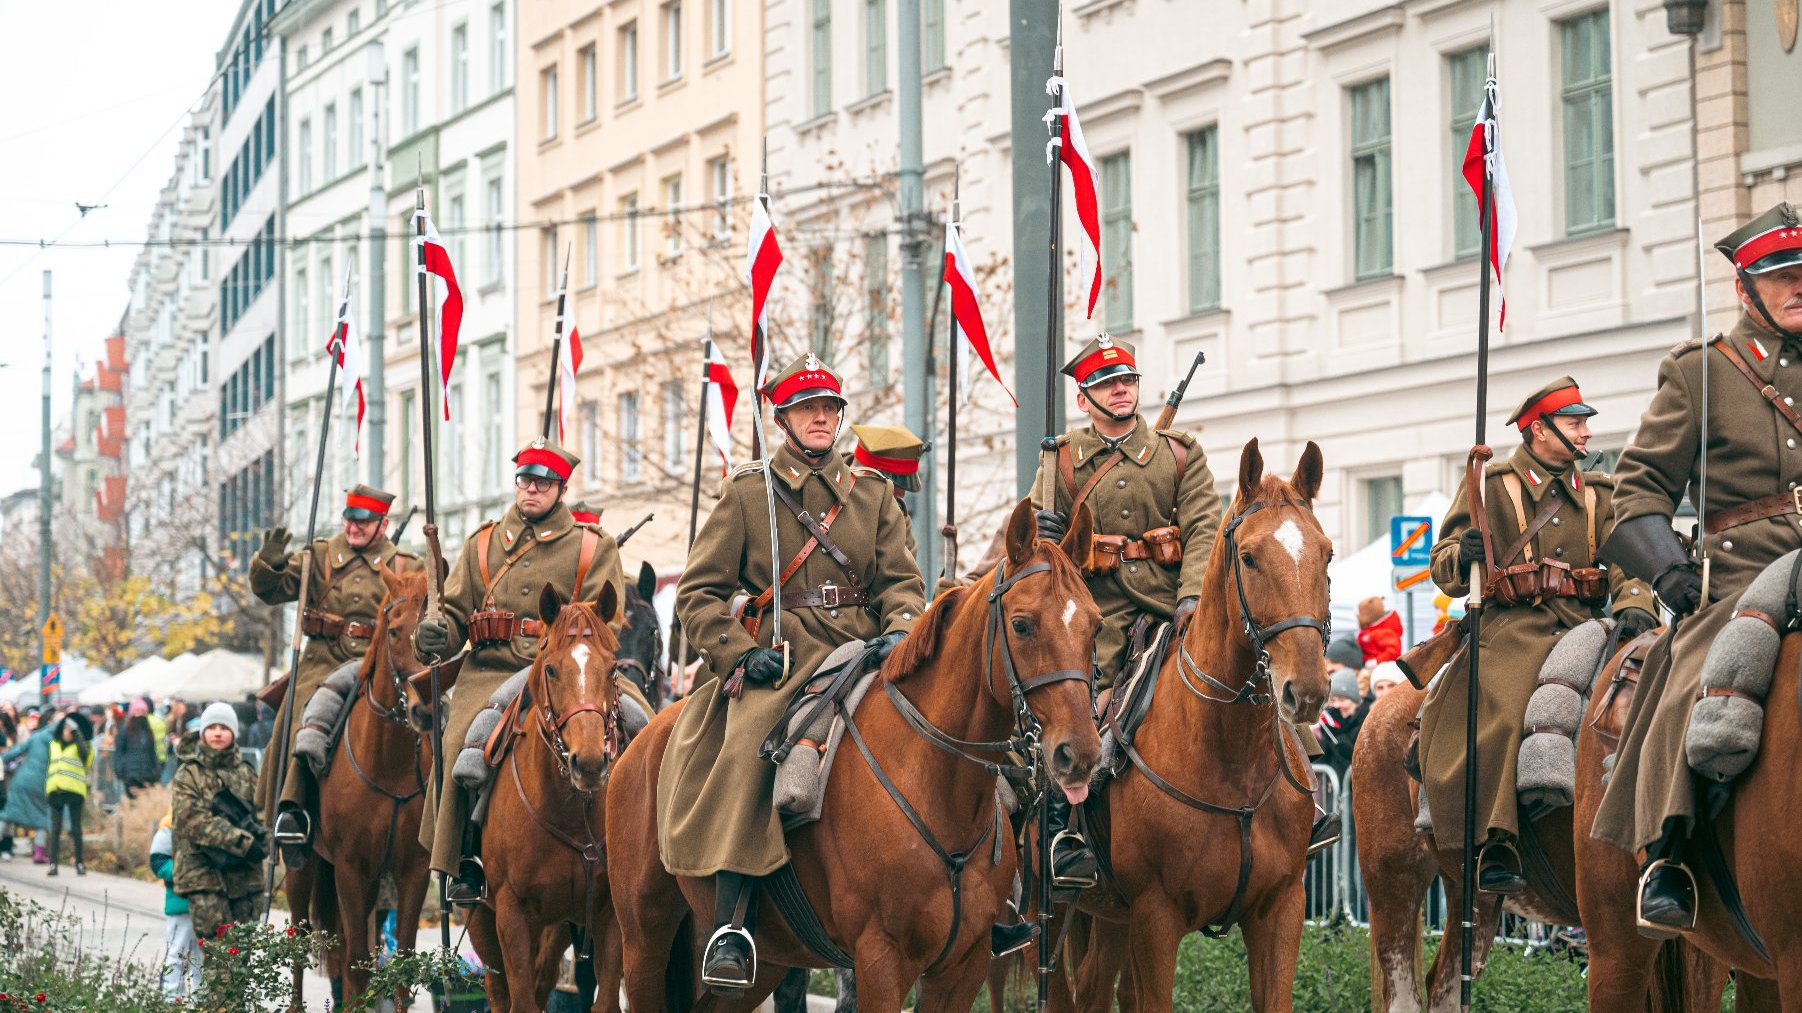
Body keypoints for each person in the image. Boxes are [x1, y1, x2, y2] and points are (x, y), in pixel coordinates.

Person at [659, 354, 928, 990]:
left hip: (863, 651)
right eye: (807, 409)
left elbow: (902, 582)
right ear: (782, 420)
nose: (820, 418)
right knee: (752, 747)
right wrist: (734, 650)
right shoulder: (750, 494)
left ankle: (975, 895)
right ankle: (733, 920)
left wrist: (901, 628)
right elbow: (697, 592)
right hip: (779, 659)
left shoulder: (872, 495)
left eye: (830, 409)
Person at [1592, 203, 1802, 932]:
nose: (1798, 284)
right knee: (1694, 671)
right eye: (1780, 275)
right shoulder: (1702, 373)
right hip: (1744, 578)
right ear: (1745, 288)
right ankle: (1670, 850)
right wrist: (1670, 572)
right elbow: (1637, 487)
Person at [1419, 376, 1655, 895]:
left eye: (1586, 423)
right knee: (1507, 704)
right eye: (1575, 424)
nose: (1587, 434)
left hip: (1590, 622)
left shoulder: (1599, 492)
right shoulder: (1490, 486)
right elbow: (1442, 566)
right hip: (1515, 627)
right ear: (1539, 430)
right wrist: (1467, 555)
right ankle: (1497, 836)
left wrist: (1635, 604)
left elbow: (1627, 560)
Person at [412, 437, 628, 905]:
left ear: (561, 489)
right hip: (492, 668)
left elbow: (603, 613)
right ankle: (462, 857)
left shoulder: (592, 546)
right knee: (457, 743)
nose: (531, 489)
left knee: (646, 726)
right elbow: (453, 610)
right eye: (525, 480)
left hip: (574, 669)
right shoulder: (483, 543)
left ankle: (647, 850)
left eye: (543, 482)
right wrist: (436, 632)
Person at [250, 484, 419, 863]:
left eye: (364, 521)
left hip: (385, 662)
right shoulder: (321, 555)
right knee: (300, 719)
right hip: (324, 659)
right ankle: (292, 811)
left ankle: (435, 821)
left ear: (384, 523)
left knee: (434, 723)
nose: (354, 527)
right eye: (349, 519)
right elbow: (272, 590)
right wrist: (268, 563)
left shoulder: (407, 564)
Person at [171, 702, 265, 940]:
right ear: (202, 732)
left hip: (245, 880)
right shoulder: (189, 773)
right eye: (211, 727)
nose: (218, 732)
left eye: (224, 727)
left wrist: (266, 840)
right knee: (219, 959)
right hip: (205, 877)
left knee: (242, 959)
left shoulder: (247, 773)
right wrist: (242, 841)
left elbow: (262, 814)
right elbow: (193, 820)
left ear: (234, 732)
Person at [150, 809, 200, 999]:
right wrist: (184, 873)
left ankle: (200, 1002)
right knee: (177, 954)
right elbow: (157, 861)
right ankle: (171, 1000)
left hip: (209, 904)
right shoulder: (170, 826)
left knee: (203, 956)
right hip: (181, 903)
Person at [1, 712, 54, 864]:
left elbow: (16, 751)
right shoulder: (56, 743)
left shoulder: (36, 737)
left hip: (22, 779)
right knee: (42, 817)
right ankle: (38, 853)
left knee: (7, 814)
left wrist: (2, 758)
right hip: (43, 782)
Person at [45, 714, 94, 876]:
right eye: (66, 728)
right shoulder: (54, 745)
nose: (67, 732)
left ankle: (80, 863)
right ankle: (53, 864)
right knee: (56, 828)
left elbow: (86, 758)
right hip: (56, 790)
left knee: (76, 828)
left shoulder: (84, 746)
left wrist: (78, 736)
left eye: (71, 730)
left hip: (74, 791)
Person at [1316, 668, 1369, 779]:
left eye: (1343, 700)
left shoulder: (1367, 722)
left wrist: (1342, 746)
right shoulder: (1331, 724)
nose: (1337, 705)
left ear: (1354, 698)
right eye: (1334, 700)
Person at [115, 699, 162, 799]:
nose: (140, 714)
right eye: (138, 711)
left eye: (142, 711)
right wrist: (119, 770)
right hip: (130, 774)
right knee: (132, 803)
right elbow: (119, 752)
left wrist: (157, 770)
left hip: (147, 774)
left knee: (145, 803)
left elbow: (152, 752)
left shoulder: (148, 730)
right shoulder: (125, 730)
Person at [1356, 596, 1403, 666]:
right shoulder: (1371, 629)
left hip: (1381, 668)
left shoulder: (1386, 631)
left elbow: (1393, 651)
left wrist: (1375, 661)